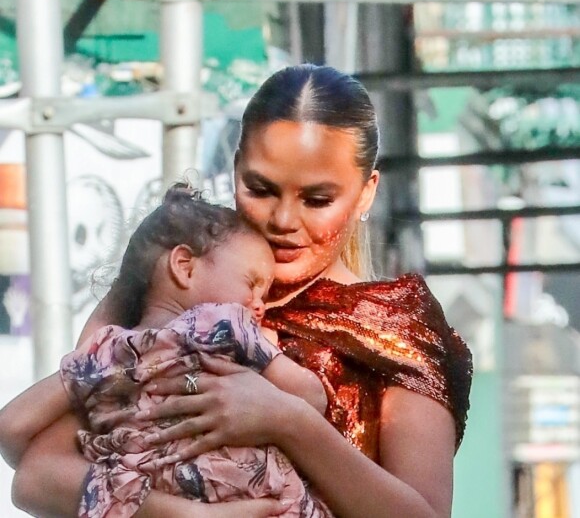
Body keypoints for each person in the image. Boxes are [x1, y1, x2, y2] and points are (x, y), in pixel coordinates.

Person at [0, 64, 472, 518]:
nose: (284, 221)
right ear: (234, 170)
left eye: (317, 199)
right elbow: (37, 478)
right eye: (261, 188)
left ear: (366, 192)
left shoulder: (396, 327)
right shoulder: (168, 284)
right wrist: (175, 513)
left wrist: (287, 421)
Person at [2, 185, 330, 517]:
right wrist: (269, 369)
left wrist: (108, 468)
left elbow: (12, 428)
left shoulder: (103, 351)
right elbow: (311, 395)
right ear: (185, 266)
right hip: (261, 499)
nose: (260, 305)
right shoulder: (225, 323)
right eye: (252, 284)